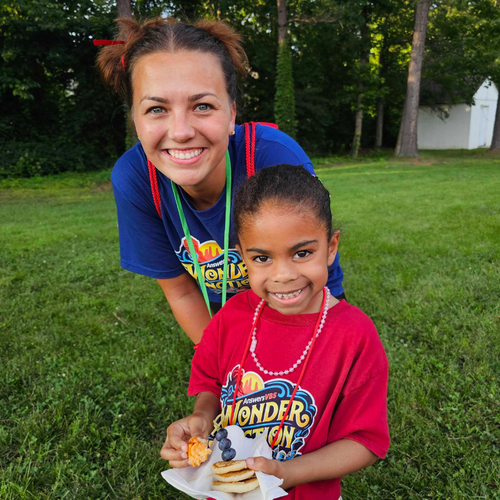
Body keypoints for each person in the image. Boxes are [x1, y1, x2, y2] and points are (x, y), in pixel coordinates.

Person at [95, 17, 344, 344]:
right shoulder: (136, 179)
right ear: (135, 120)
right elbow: (181, 290)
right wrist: (219, 362)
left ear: (231, 114)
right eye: (156, 109)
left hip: (296, 298)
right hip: (224, 311)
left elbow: (315, 270)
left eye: (202, 106)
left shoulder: (273, 157)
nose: (181, 132)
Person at [161, 165, 389, 499]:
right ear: (242, 257)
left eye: (302, 253)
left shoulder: (354, 335)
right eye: (262, 258)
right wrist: (201, 417)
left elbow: (365, 442)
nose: (283, 275)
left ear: (331, 247)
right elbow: (210, 384)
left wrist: (288, 473)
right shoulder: (232, 317)